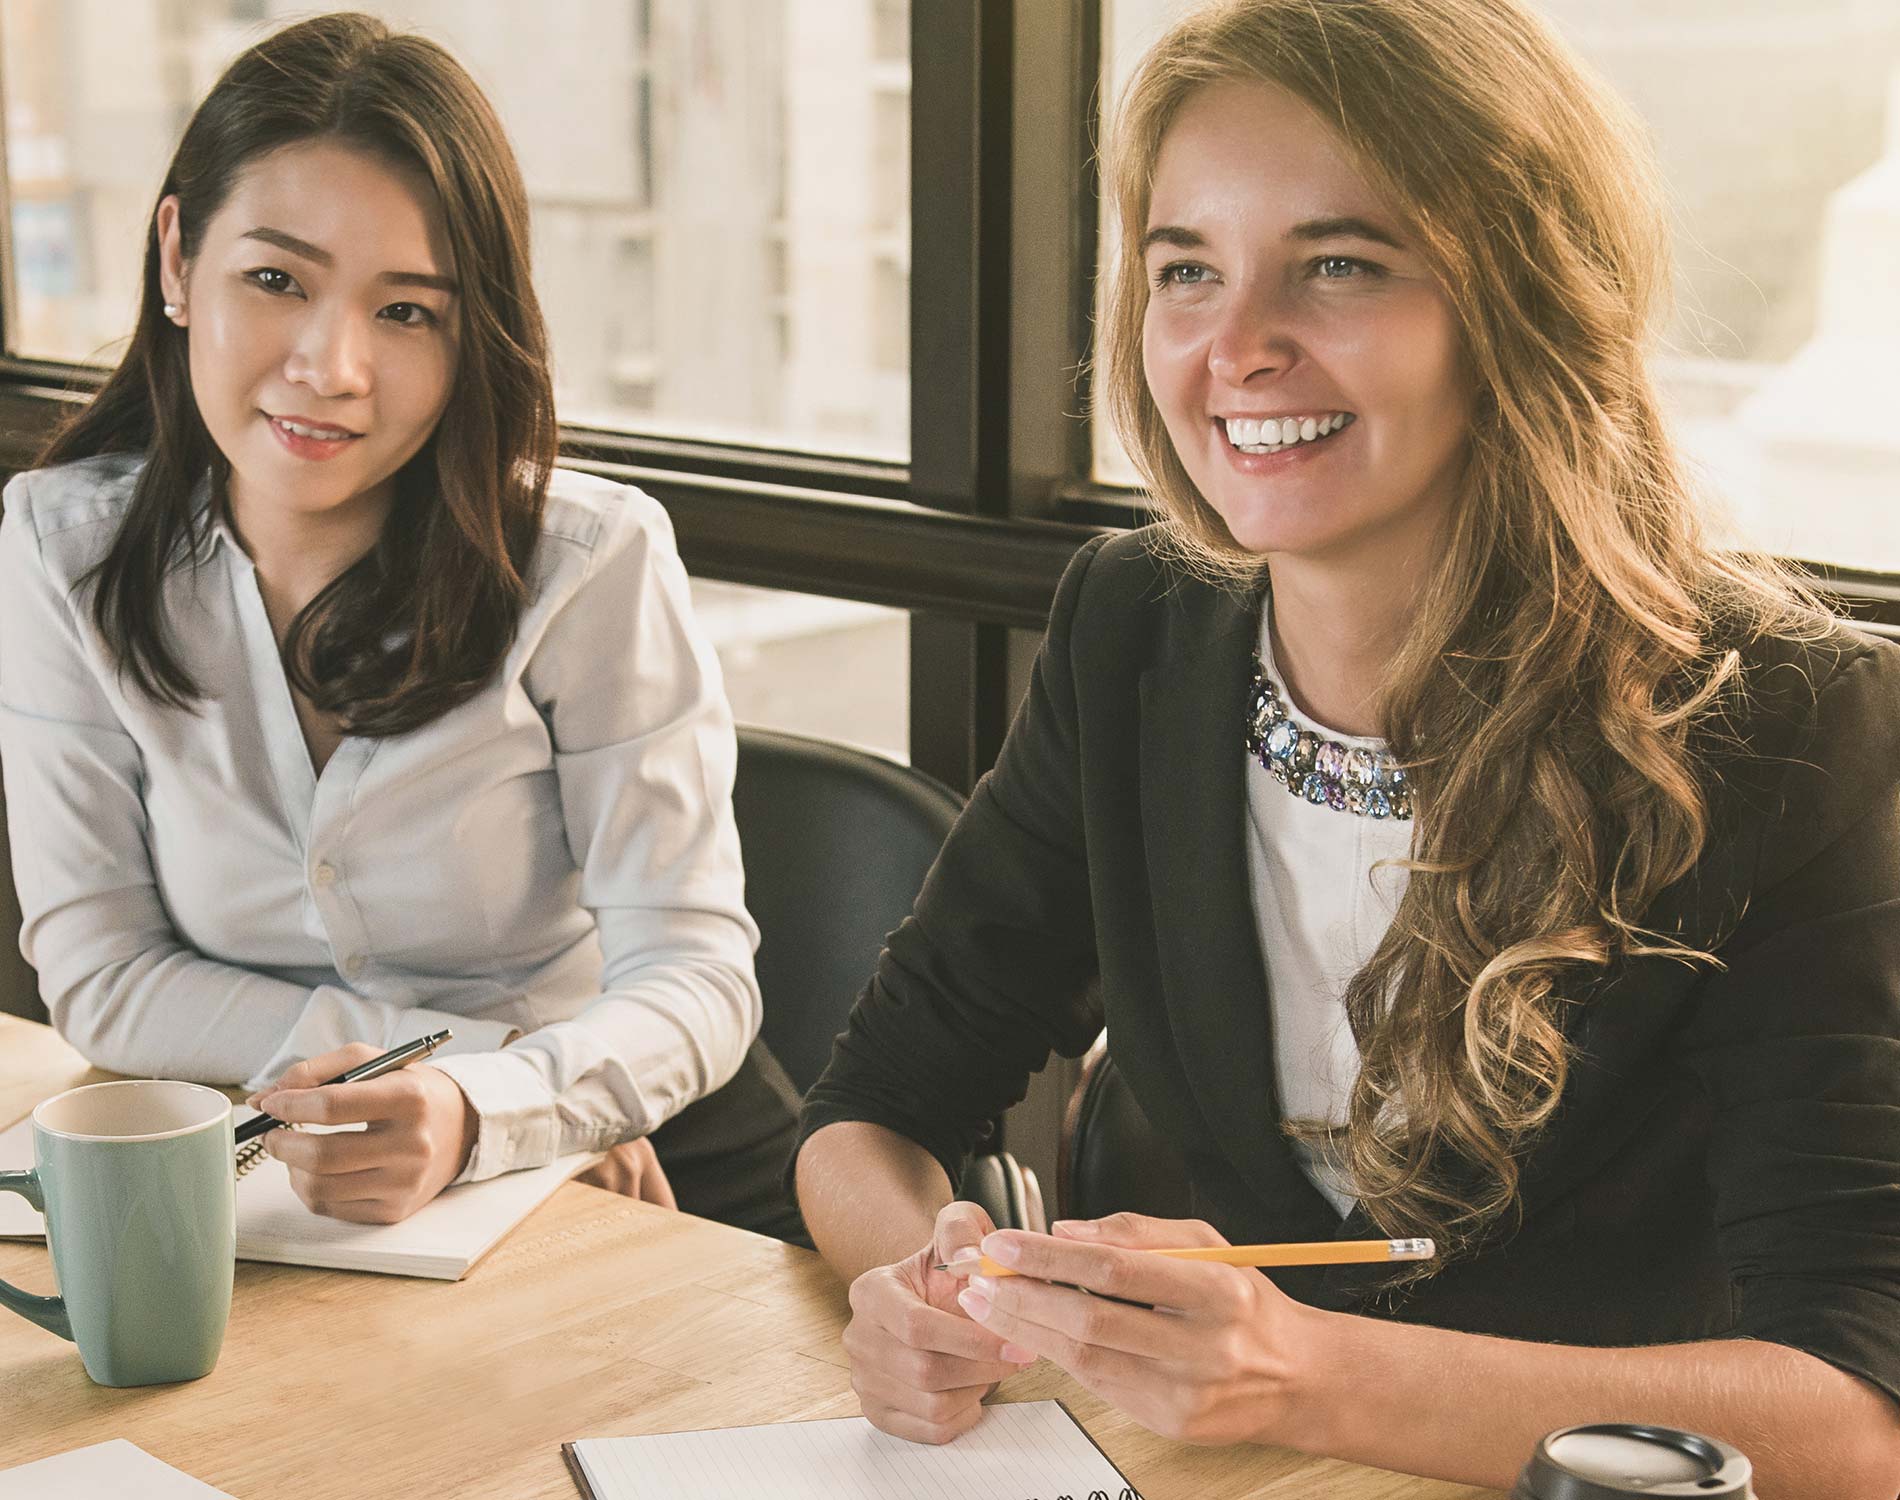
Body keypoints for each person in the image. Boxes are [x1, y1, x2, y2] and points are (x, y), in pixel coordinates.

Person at [789, 0, 1900, 1493]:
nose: (1237, 346)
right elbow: (871, 1110)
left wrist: (1306, 1375)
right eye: (1187, 270)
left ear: (1516, 300)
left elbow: (1853, 1411)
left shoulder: (1788, 721)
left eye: (1338, 264)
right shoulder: (1135, 634)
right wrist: (942, 1287)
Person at [0, 13, 803, 1242]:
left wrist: (500, 1115)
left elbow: (694, 977)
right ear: (176, 259)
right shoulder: (65, 552)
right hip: (319, 1146)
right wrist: (488, 1086)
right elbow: (101, 976)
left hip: (652, 1159)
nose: (332, 366)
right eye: (276, 281)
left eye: (407, 313)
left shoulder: (589, 566)